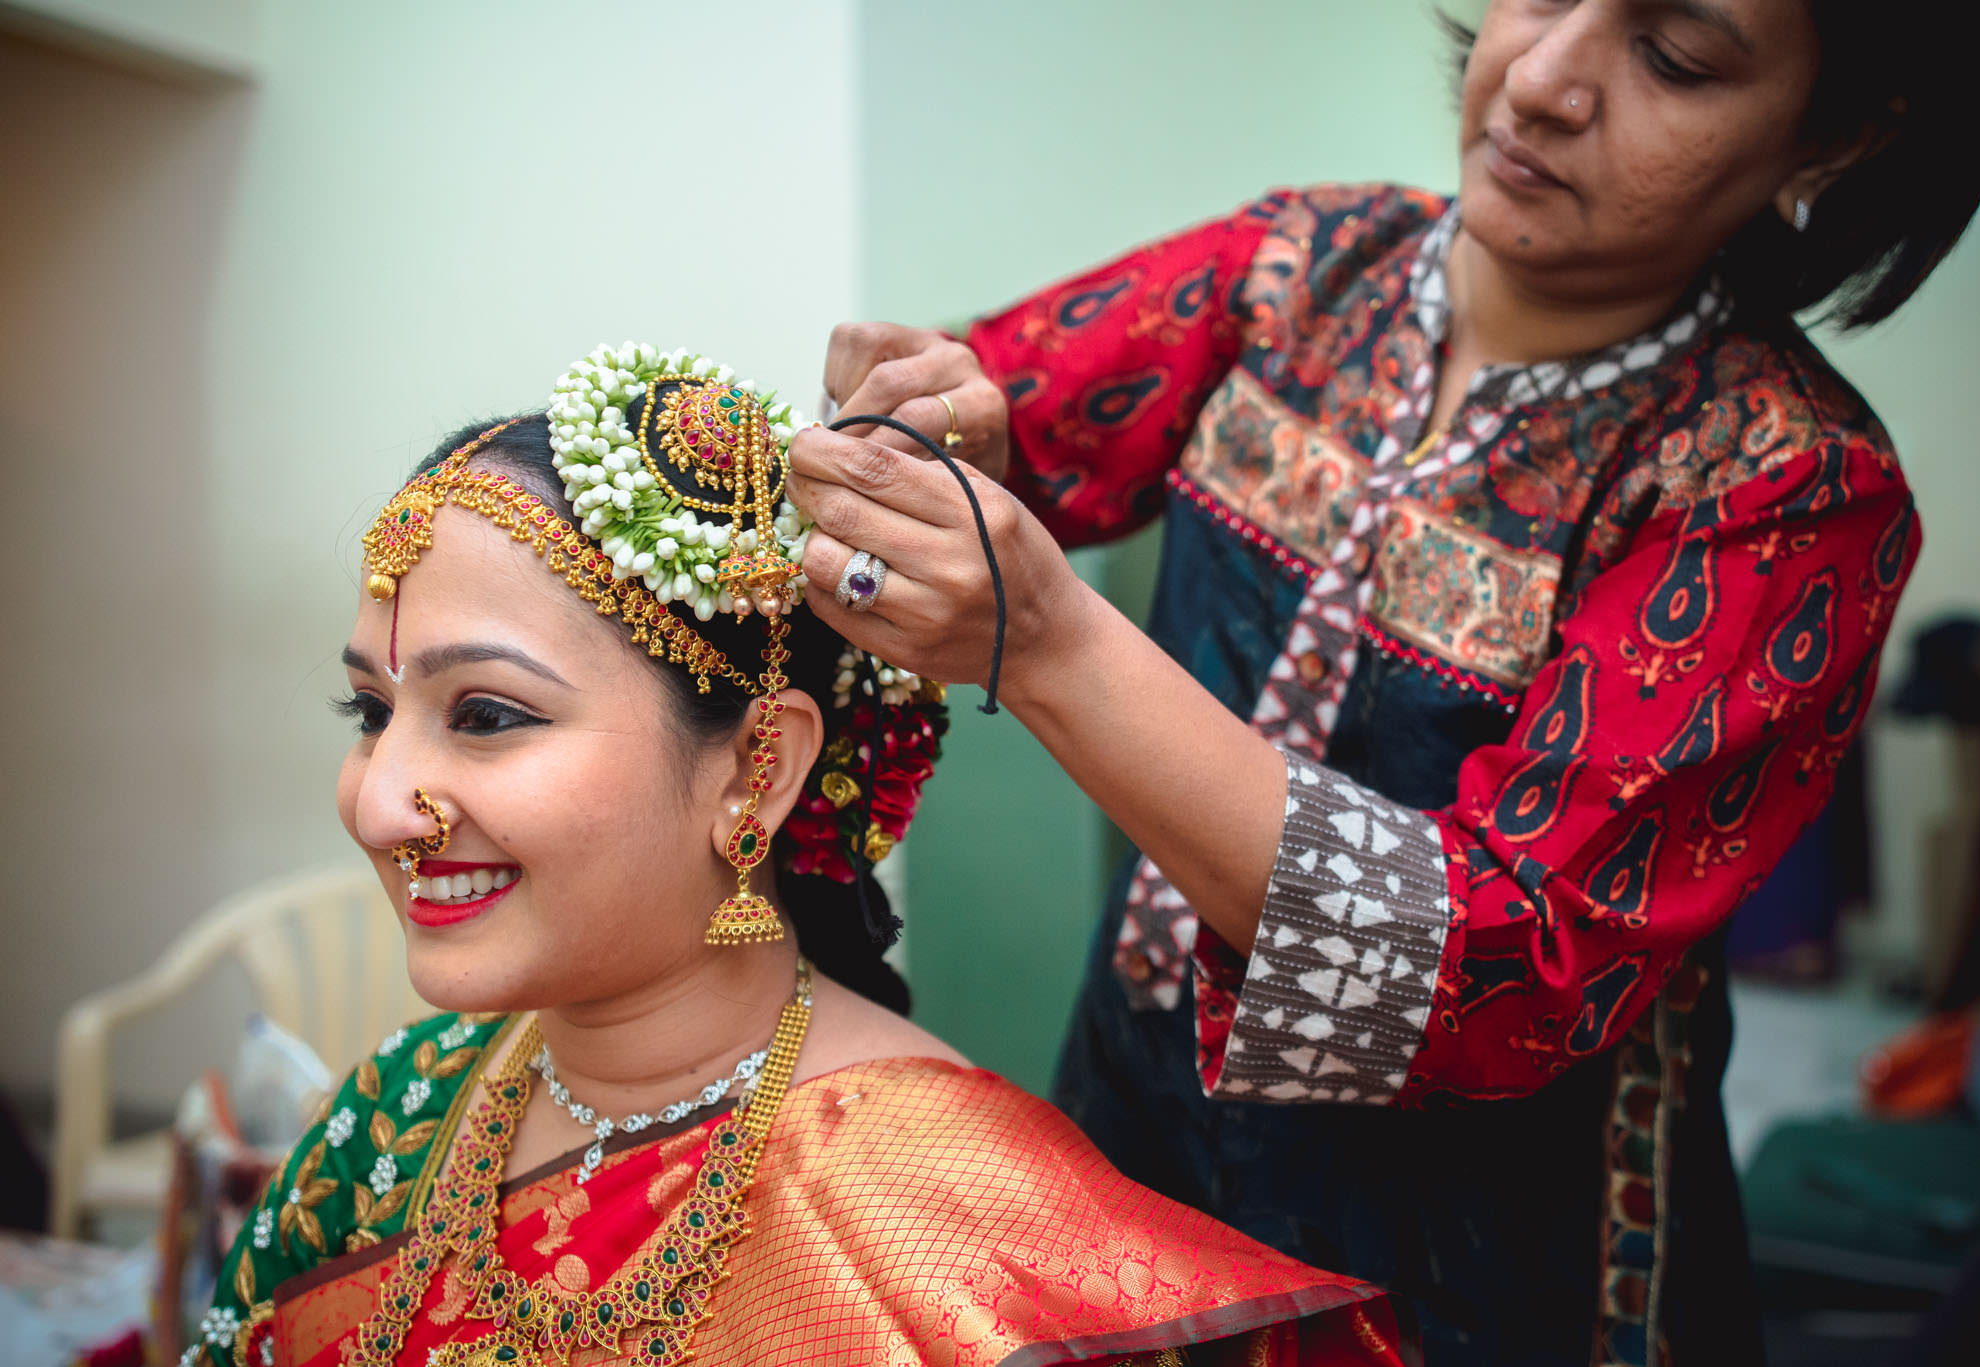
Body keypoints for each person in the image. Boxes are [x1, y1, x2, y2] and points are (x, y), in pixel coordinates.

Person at [784, 2, 1980, 1362]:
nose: (1547, 79)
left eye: (1675, 58)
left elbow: (1493, 961)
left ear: (1839, 133)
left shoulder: (1784, 488)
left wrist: (1052, 644)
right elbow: (1010, 412)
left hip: (1486, 1268)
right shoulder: (1298, 268)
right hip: (1134, 1136)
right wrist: (939, 434)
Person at [181, 346, 1409, 1367]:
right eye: (368, 714)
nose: (384, 800)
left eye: (486, 715)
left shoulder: (959, 1227)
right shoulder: (393, 1113)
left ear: (755, 767)